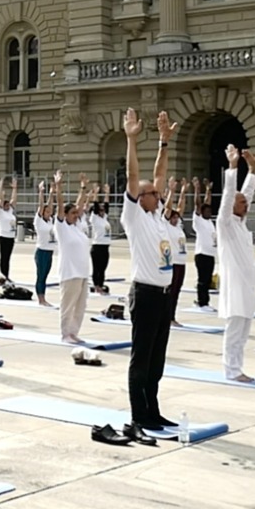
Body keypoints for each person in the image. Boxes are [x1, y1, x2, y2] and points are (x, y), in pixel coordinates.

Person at [121, 108, 179, 431]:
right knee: (141, 357)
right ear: (139, 198)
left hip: (163, 295)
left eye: (158, 193)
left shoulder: (156, 216)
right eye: (152, 194)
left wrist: (163, 142)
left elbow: (159, 173)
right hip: (144, 294)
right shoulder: (133, 217)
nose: (158, 195)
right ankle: (138, 414)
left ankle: (153, 409)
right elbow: (135, 177)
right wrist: (132, 139)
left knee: (157, 358)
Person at [217, 145, 255, 381]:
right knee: (234, 331)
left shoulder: (241, 224)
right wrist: (232, 167)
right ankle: (231, 370)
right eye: (241, 202)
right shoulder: (225, 224)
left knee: (243, 332)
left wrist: (252, 170)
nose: (246, 205)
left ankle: (238, 367)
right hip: (234, 286)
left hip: (248, 286)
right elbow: (228, 197)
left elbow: (247, 195)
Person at [55, 176, 94, 343]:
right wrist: (58, 187)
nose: (76, 215)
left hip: (83, 272)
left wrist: (83, 187)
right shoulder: (61, 227)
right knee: (68, 306)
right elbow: (60, 205)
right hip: (70, 273)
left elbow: (80, 204)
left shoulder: (77, 227)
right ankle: (65, 334)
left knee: (80, 307)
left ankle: (74, 333)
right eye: (72, 213)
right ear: (65, 215)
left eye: (76, 213)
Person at [164, 179, 192, 327]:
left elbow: (180, 206)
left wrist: (183, 192)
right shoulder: (166, 226)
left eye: (176, 217)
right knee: (170, 291)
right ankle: (168, 317)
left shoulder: (178, 226)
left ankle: (171, 316)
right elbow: (168, 208)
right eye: (173, 217)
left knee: (176, 291)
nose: (175, 219)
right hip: (173, 263)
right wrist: (171, 191)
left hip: (181, 263)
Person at [32, 172, 60, 307]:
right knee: (41, 276)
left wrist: (52, 192)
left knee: (45, 276)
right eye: (46, 212)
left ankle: (43, 297)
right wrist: (41, 192)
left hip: (49, 252)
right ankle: (41, 298)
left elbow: (50, 205)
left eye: (50, 212)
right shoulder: (39, 221)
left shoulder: (50, 221)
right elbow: (42, 204)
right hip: (41, 251)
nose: (49, 213)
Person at [189, 177, 217, 312]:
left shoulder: (209, 222)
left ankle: (204, 301)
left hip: (210, 254)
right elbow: (198, 204)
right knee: (203, 280)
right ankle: (202, 303)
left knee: (208, 279)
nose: (209, 213)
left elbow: (207, 202)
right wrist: (197, 189)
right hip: (202, 254)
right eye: (206, 211)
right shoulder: (198, 220)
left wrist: (208, 190)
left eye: (210, 211)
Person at [0, 178, 18, 282]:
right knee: (4, 257)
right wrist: (0, 186)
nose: (8, 206)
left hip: (11, 237)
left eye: (8, 205)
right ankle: (3, 276)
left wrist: (15, 188)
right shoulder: (0, 212)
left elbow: (14, 199)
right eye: (6, 205)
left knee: (8, 257)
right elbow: (1, 198)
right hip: (3, 236)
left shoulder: (10, 212)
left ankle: (6, 275)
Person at [88, 192, 113, 294]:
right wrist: (95, 194)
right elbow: (95, 205)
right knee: (97, 268)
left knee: (103, 268)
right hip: (97, 246)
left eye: (103, 210)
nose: (103, 211)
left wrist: (107, 192)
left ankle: (101, 284)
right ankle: (96, 285)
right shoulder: (94, 218)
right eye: (101, 210)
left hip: (105, 246)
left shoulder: (104, 218)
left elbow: (107, 206)